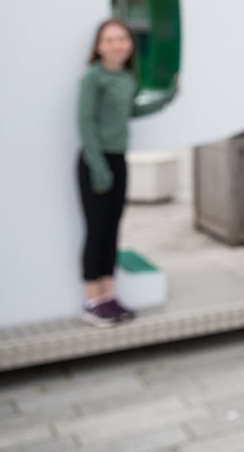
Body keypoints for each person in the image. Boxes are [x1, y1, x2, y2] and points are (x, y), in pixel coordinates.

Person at [77, 19, 173, 328]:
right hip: (96, 161)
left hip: (119, 160)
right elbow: (86, 124)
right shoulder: (92, 78)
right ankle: (92, 300)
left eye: (122, 39)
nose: (117, 44)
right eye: (109, 40)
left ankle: (109, 296)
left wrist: (166, 97)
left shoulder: (126, 78)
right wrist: (98, 168)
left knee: (112, 230)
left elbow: (131, 111)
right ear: (99, 46)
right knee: (96, 231)